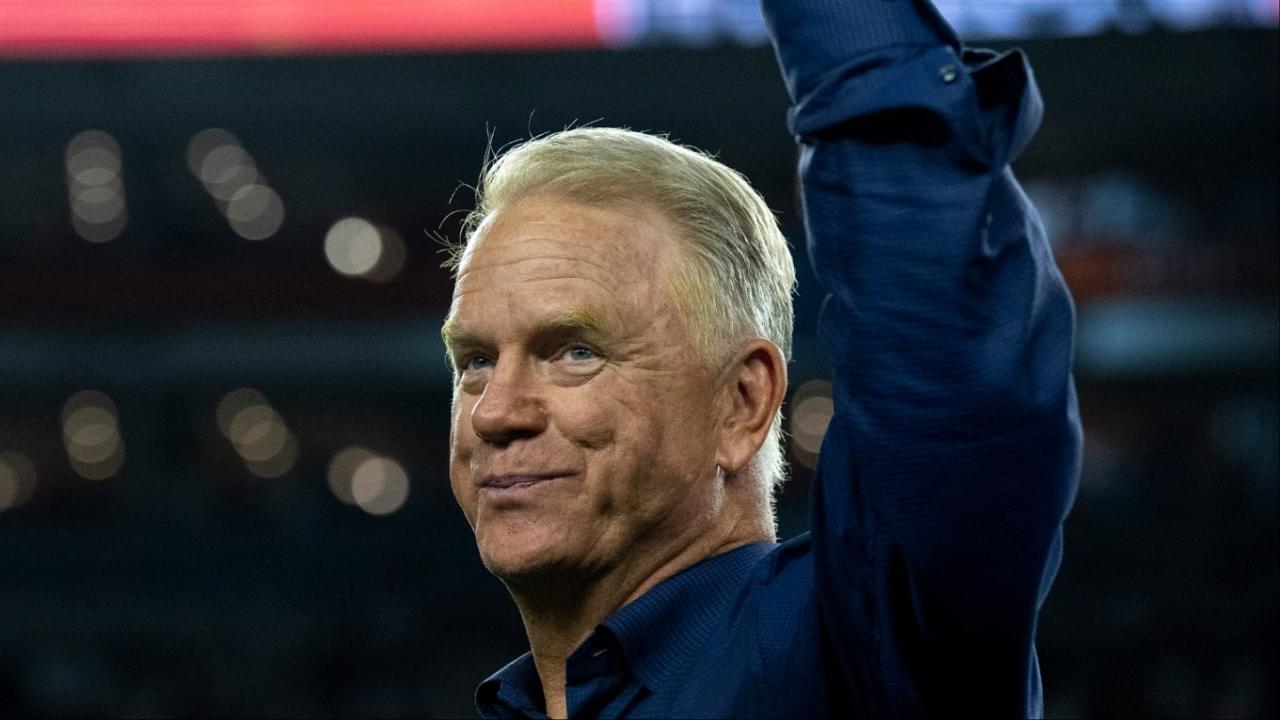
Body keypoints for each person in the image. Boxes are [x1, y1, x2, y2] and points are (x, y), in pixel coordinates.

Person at [439, 0, 1081, 717]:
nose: (495, 412)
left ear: (741, 403)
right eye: (475, 361)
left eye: (575, 352)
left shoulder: (859, 653)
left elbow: (948, 362)